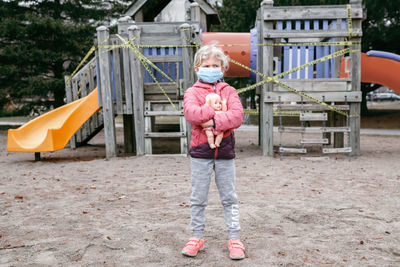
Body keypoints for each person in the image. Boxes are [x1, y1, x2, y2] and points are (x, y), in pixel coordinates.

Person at [182, 45, 245, 260]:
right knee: (198, 197)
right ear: (198, 68)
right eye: (207, 65)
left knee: (229, 197)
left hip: (225, 152)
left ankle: (234, 238)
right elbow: (191, 114)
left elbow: (237, 116)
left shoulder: (229, 91)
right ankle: (196, 236)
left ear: (223, 68)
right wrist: (215, 109)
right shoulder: (191, 92)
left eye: (215, 66)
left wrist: (212, 120)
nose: (211, 69)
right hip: (200, 153)